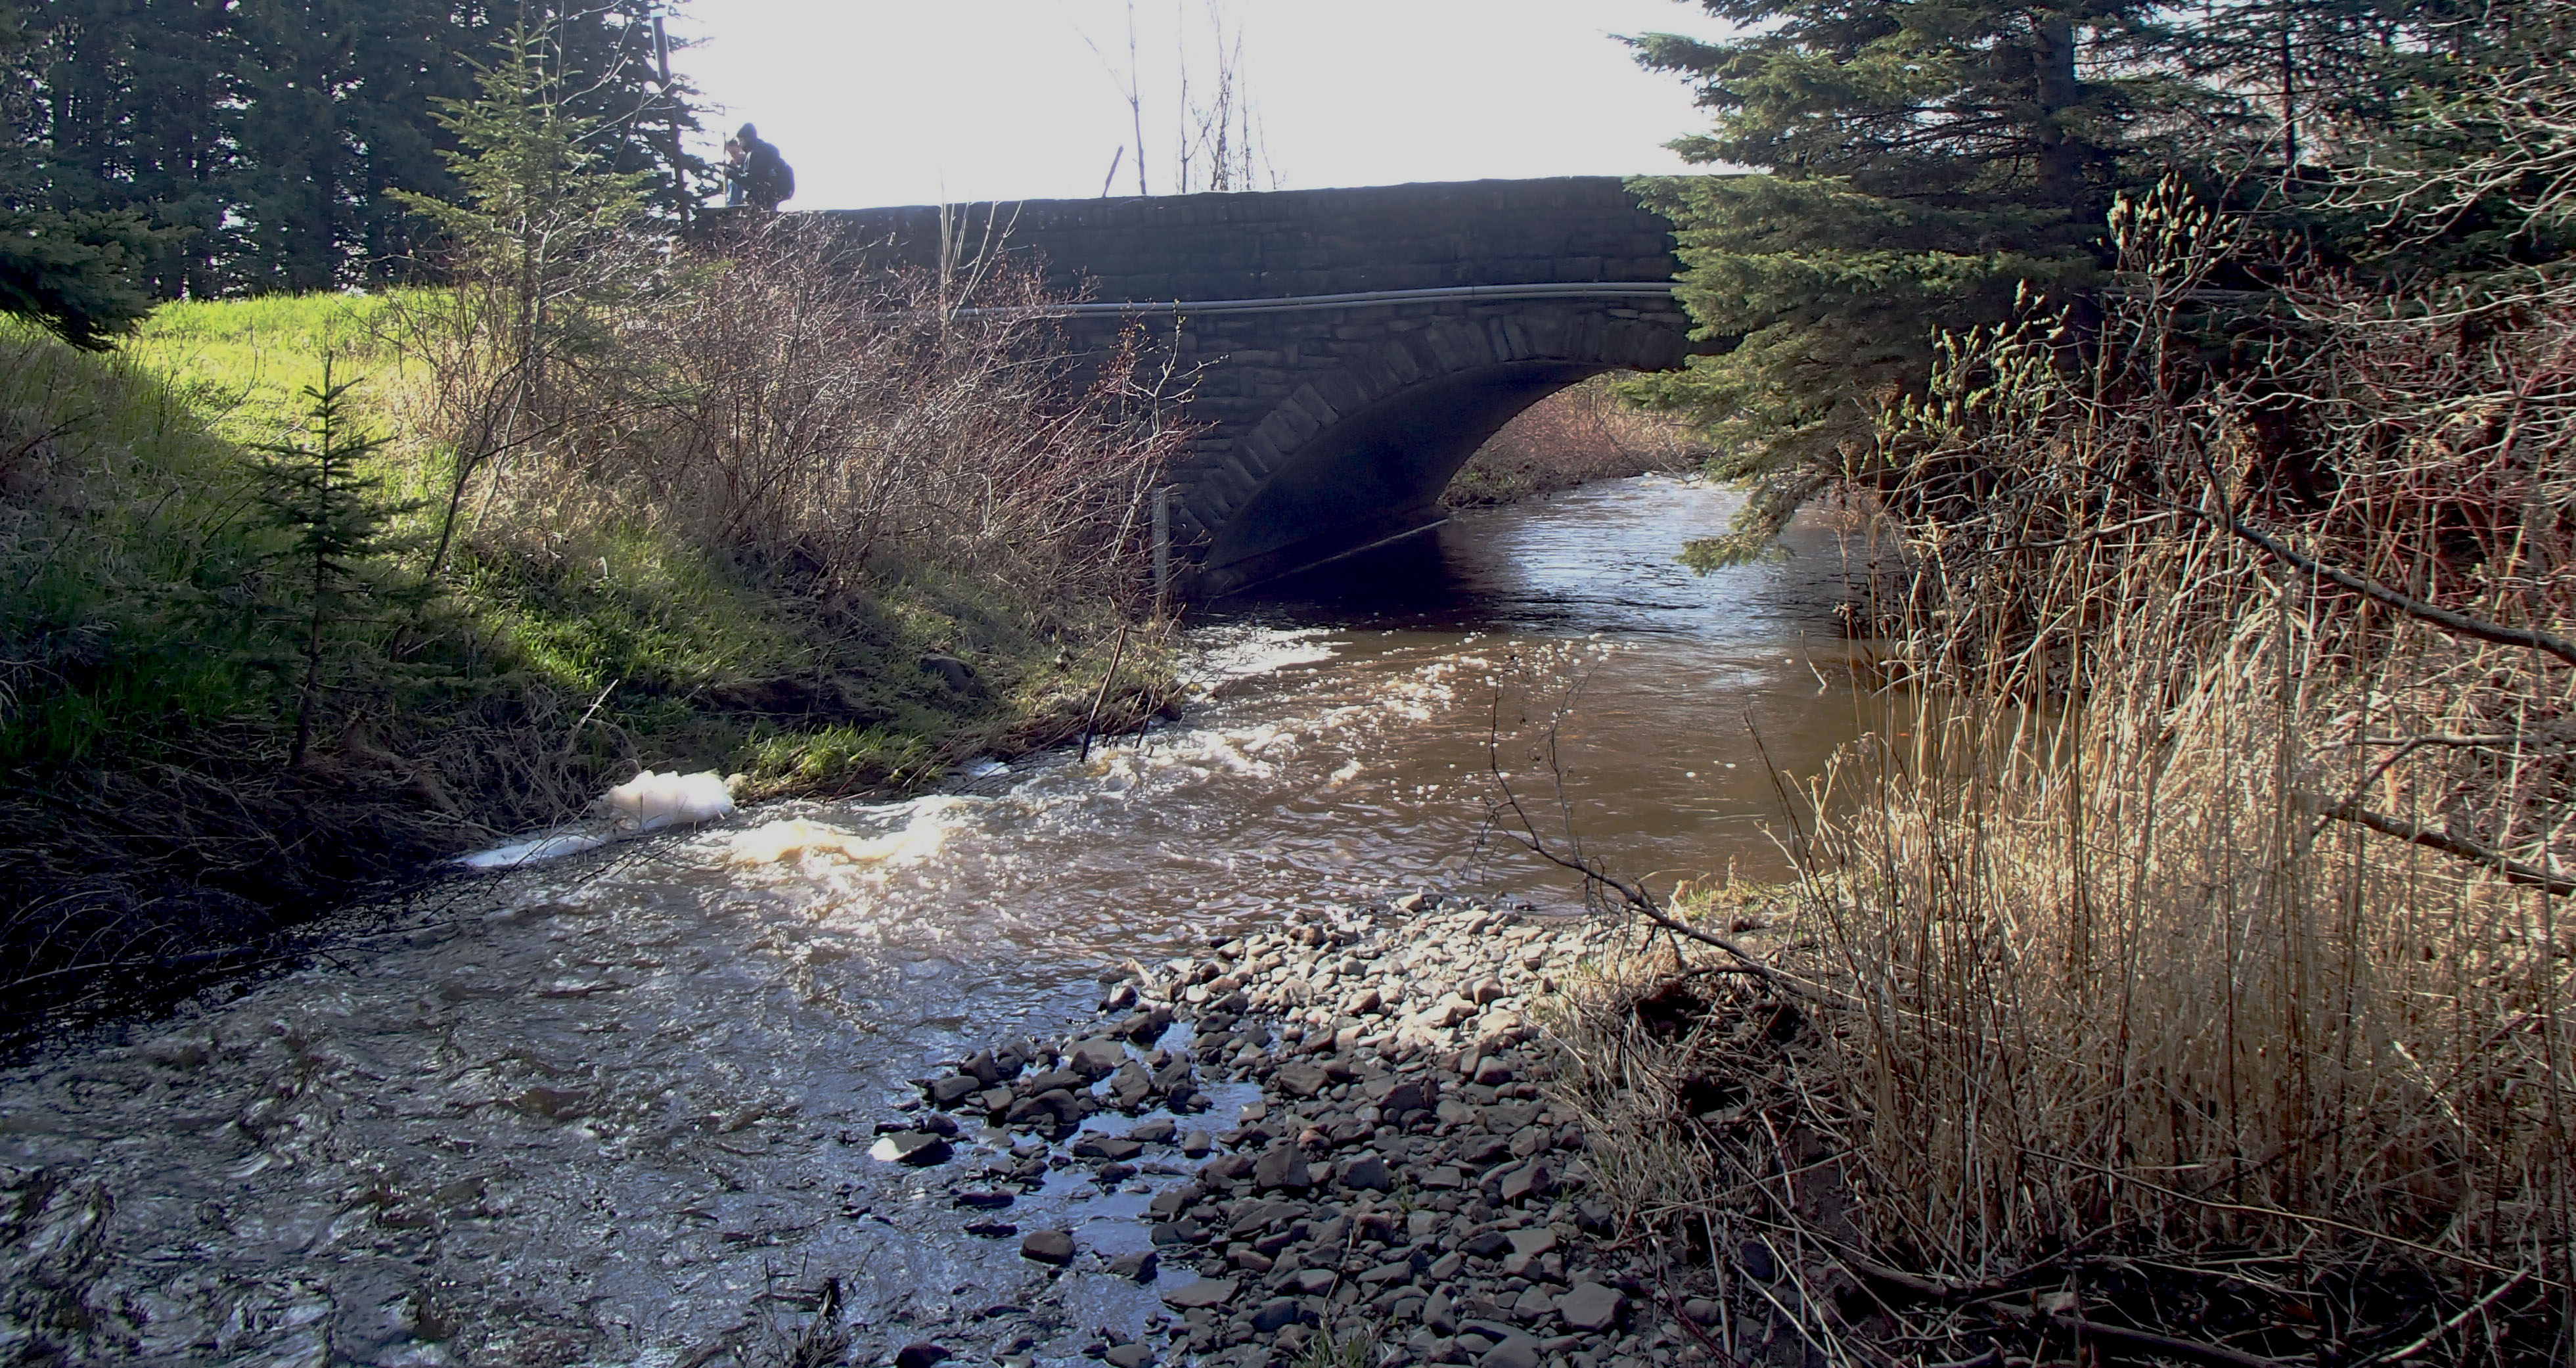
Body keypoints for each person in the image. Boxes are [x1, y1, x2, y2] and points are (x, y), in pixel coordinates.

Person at [735, 123, 794, 211]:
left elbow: (750, 181)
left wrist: (731, 174)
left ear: (746, 139)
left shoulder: (755, 154)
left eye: (741, 141)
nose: (739, 145)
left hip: (762, 198)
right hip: (775, 194)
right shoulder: (767, 152)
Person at [721, 137, 746, 207]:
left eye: (734, 153)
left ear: (740, 148)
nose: (733, 156)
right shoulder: (732, 165)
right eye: (731, 154)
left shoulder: (747, 163)